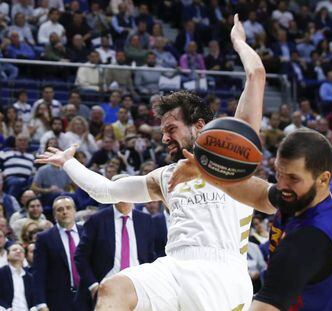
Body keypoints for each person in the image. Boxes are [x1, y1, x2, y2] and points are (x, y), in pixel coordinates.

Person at [35, 13, 265, 311]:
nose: (165, 138)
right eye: (162, 131)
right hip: (174, 267)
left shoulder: (232, 156)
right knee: (112, 288)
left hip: (222, 273)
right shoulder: (165, 176)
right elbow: (107, 192)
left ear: (198, 126)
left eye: (171, 129)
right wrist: (69, 163)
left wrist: (239, 43)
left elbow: (256, 74)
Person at [168, 129, 332, 310]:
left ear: (323, 178)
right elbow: (261, 194)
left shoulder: (306, 242)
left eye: (293, 178)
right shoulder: (327, 195)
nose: (282, 185)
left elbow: (265, 308)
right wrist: (207, 172)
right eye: (279, 173)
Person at [74, 174, 158, 310]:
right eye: (118, 189)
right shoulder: (97, 220)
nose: (123, 193)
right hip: (105, 287)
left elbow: (149, 256)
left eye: (127, 189)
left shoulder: (146, 220)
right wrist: (93, 285)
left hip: (137, 287)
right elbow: (80, 257)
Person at [33, 196, 83, 311]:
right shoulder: (44, 238)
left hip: (86, 297)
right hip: (58, 300)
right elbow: (39, 274)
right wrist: (41, 303)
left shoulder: (86, 233)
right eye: (60, 209)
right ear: (54, 215)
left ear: (75, 211)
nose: (65, 212)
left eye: (68, 208)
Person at [0, 243, 35, 310]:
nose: (18, 251)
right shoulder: (2, 273)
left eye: (21, 251)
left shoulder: (29, 277)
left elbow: (33, 299)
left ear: (24, 257)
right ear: (7, 256)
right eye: (14, 250)